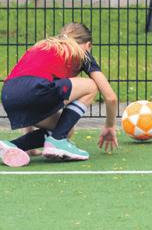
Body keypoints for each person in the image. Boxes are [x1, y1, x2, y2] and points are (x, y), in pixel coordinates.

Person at [3, 22, 118, 166]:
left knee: (65, 129)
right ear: (88, 45)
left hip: (9, 95)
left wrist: (29, 140)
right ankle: (57, 141)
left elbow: (27, 87)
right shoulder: (82, 53)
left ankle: (12, 145)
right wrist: (110, 126)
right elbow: (110, 97)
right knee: (91, 85)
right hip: (36, 91)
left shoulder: (42, 46)